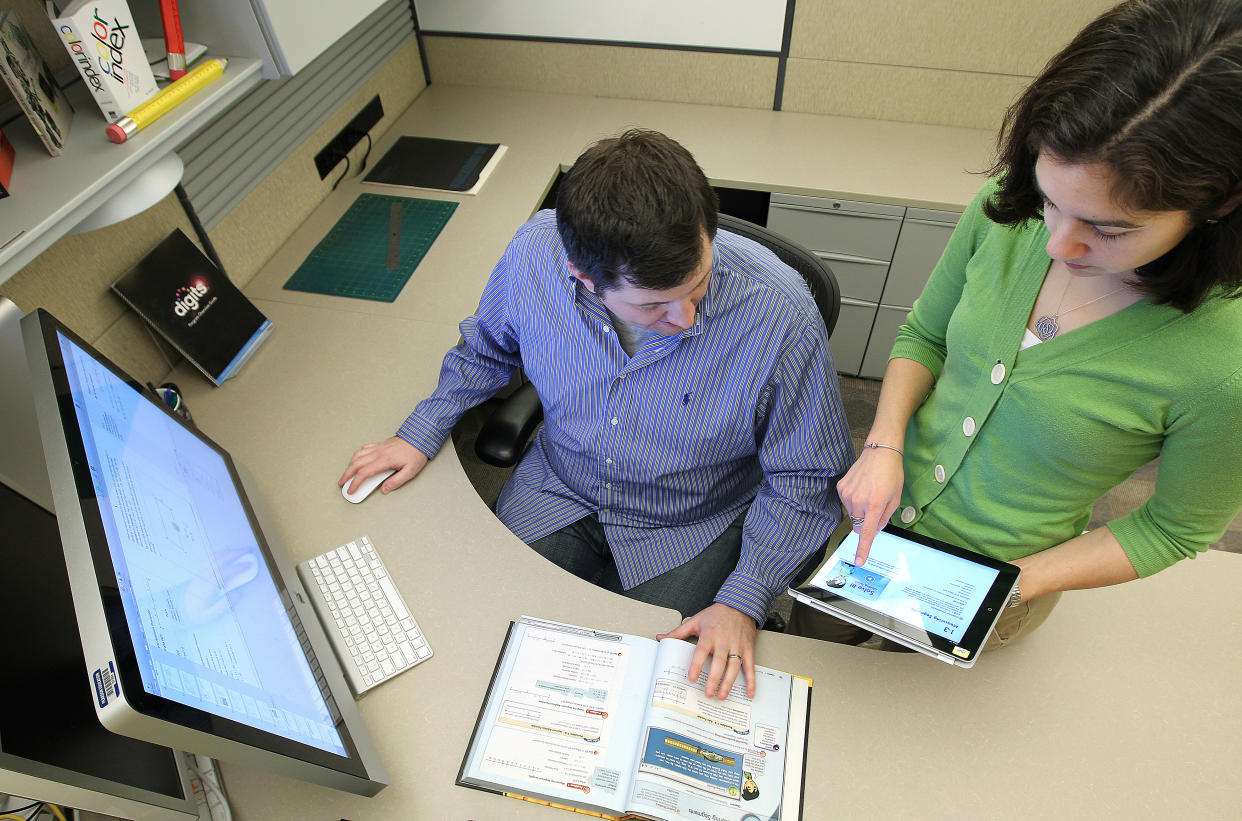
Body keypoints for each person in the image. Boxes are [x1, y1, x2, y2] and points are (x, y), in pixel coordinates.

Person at [340, 129, 853, 696]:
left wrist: (745, 598)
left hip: (690, 517)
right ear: (584, 279)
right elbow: (486, 349)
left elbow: (807, 475)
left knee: (640, 688)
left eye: (699, 284)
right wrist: (421, 431)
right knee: (489, 645)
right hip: (562, 486)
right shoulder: (536, 257)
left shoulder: (780, 311)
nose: (686, 318)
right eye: (654, 304)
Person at [794, 0, 1242, 649]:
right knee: (813, 653)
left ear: (1220, 202)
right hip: (875, 523)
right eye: (1052, 200)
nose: (1059, 243)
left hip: (1001, 574)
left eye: (1109, 228)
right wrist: (884, 443)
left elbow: (1175, 528)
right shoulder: (1010, 211)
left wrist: (1011, 582)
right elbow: (924, 335)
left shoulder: (1222, 361)